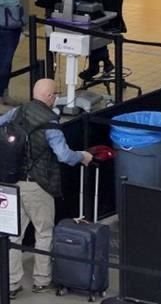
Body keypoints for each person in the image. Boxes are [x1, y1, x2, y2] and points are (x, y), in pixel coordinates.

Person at [0, 79, 92, 297]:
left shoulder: (18, 111)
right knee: (44, 232)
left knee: (13, 235)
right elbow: (64, 156)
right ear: (50, 97)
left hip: (10, 183)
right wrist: (83, 156)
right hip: (37, 186)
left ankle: (11, 284)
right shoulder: (50, 123)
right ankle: (42, 280)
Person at [0, 0, 26, 105]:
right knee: (4, 61)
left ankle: (4, 93)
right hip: (3, 22)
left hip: (14, 21)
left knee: (7, 61)